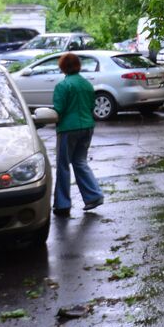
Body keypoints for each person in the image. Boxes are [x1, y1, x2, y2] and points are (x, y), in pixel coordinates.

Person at [51, 52, 103, 216]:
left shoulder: (63, 86)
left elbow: (58, 110)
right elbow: (90, 106)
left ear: (63, 67)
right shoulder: (87, 85)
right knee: (80, 161)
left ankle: (62, 204)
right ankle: (94, 196)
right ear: (78, 66)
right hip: (87, 126)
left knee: (63, 165)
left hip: (68, 129)